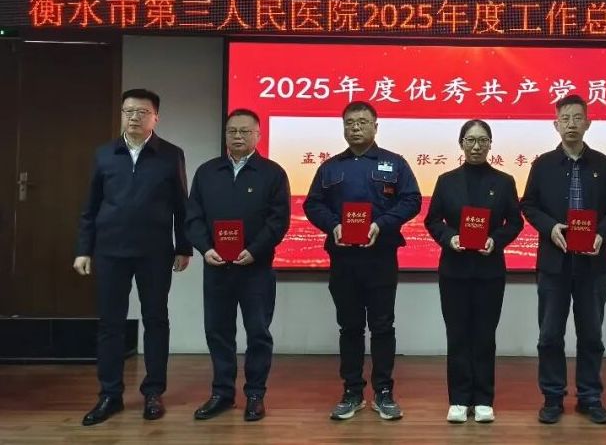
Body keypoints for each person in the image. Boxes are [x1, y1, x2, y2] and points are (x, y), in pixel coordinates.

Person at [73, 88, 191, 426]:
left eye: (142, 112)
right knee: (110, 324)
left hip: (155, 252)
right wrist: (84, 249)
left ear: (156, 117)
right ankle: (110, 394)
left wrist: (183, 247)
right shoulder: (104, 154)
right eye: (128, 111)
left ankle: (153, 392)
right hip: (110, 251)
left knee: (156, 320)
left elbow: (181, 206)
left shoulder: (170, 155)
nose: (134, 117)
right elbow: (90, 206)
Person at [303, 101, 421, 421]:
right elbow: (313, 204)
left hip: (381, 257)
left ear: (375, 126)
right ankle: (352, 391)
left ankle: (383, 392)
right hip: (343, 258)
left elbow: (412, 200)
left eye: (363, 122)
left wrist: (381, 224)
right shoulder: (330, 167)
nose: (355, 127)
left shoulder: (394, 163)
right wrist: (333, 225)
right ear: (343, 127)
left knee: (382, 326)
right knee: (350, 326)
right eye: (350, 122)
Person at [521, 94, 606, 425]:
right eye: (565, 118)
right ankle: (553, 397)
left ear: (588, 123)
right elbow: (528, 205)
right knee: (550, 335)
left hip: (593, 264)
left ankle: (590, 397)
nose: (571, 124)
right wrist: (550, 227)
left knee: (591, 335)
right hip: (554, 264)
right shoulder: (542, 165)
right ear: (555, 124)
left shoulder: (603, 165)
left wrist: (602, 233)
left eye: (577, 118)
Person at [186, 109, 290, 422]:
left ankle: (255, 395)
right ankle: (222, 393)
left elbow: (278, 221)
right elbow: (193, 217)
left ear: (258, 135)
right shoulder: (207, 172)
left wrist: (255, 251)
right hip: (216, 267)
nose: (238, 136)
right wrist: (205, 248)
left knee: (258, 332)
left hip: (256, 268)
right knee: (218, 331)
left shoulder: (272, 173)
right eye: (232, 131)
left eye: (245, 131)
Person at [424, 119, 524, 424]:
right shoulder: (446, 181)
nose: (476, 146)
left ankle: (483, 399)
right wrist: (449, 238)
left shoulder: (504, 182)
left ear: (490, 144)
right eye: (470, 140)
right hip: (453, 271)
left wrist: (496, 240)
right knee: (457, 335)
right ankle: (458, 399)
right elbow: (433, 220)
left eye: (482, 140)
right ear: (461, 144)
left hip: (489, 272)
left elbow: (515, 222)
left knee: (484, 335)